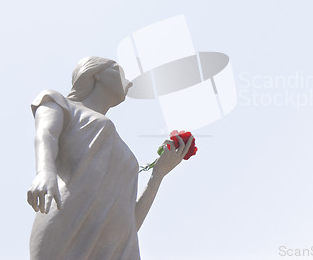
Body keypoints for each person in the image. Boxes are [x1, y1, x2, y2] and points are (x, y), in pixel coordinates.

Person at [26, 56, 194, 260]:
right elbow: (46, 134)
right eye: (119, 73)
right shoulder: (60, 103)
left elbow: (129, 225)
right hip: (69, 221)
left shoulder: (126, 156)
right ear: (94, 74)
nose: (129, 82)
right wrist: (45, 171)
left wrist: (158, 175)